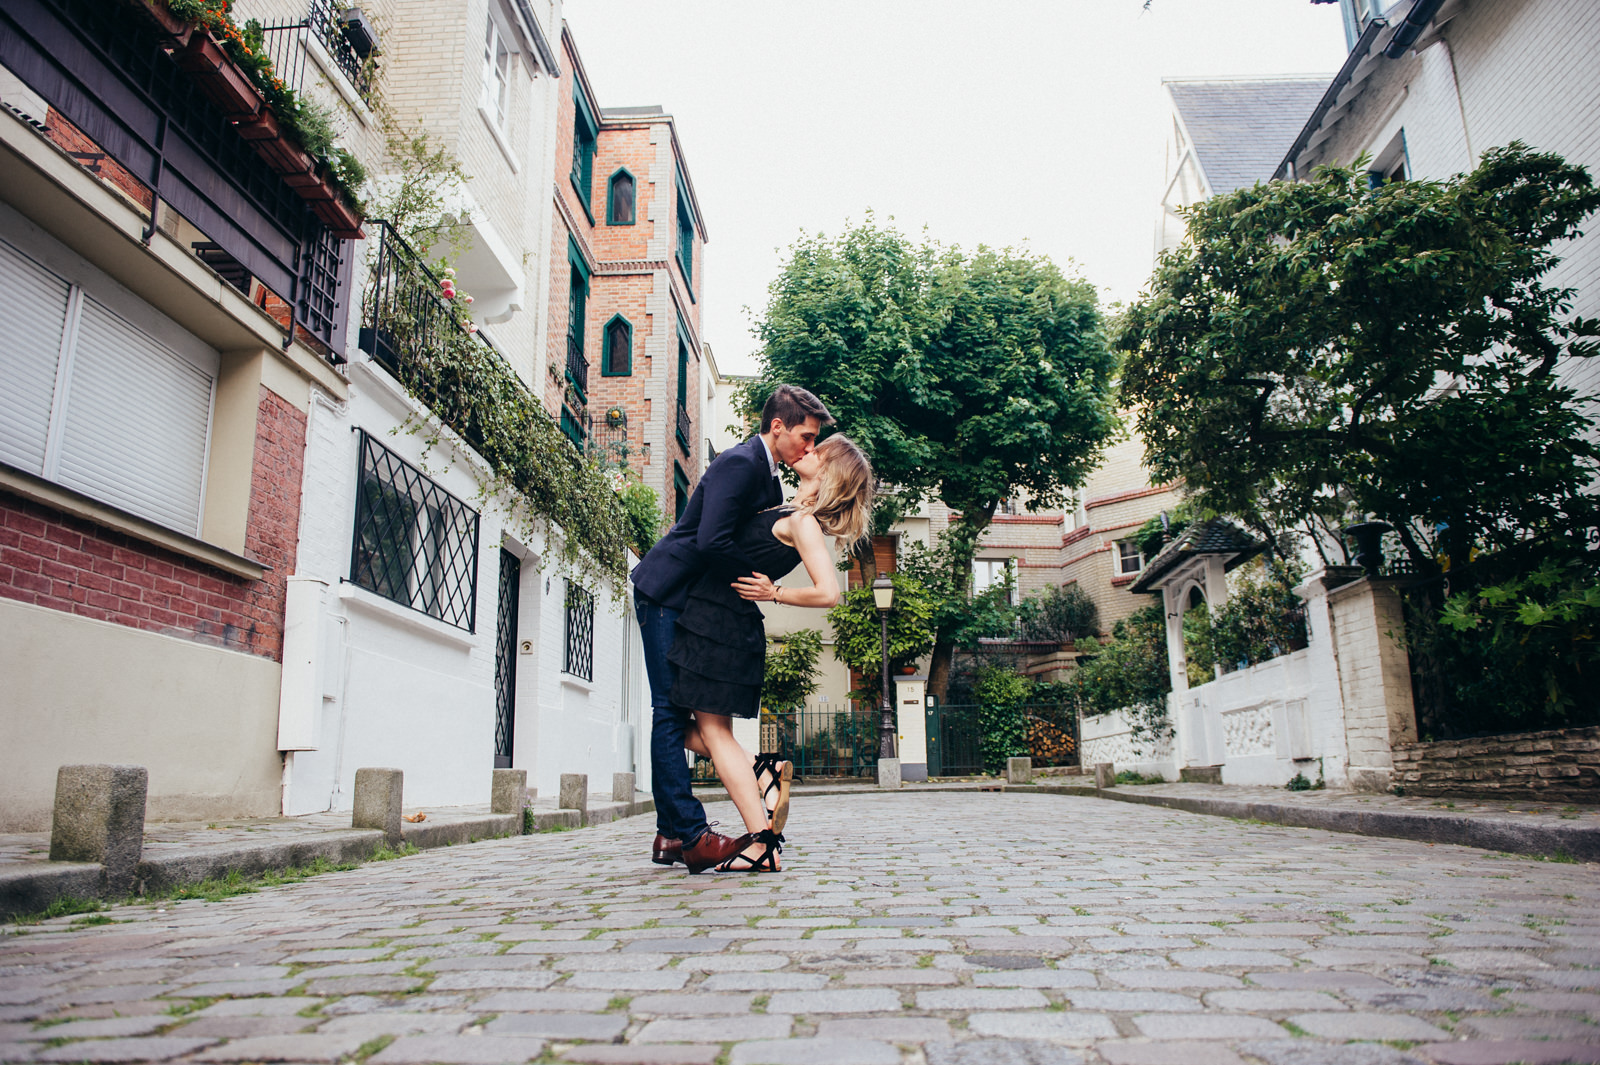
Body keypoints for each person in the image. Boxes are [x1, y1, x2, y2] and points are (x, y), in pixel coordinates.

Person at [631, 385, 831, 874]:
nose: (809, 447)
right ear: (777, 426)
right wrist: (759, 586)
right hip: (668, 590)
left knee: (678, 714)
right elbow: (713, 541)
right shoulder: (741, 462)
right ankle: (692, 833)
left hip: (694, 601)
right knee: (668, 712)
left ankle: (669, 834)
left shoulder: (770, 481)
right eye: (806, 437)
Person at [669, 434, 874, 872]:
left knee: (709, 733)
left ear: (829, 472)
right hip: (716, 622)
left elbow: (829, 593)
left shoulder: (803, 523)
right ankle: (760, 775)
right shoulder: (786, 508)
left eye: (819, 451)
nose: (808, 449)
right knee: (686, 729)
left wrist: (775, 592)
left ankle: (762, 843)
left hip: (721, 627)